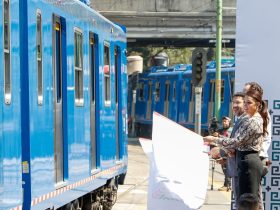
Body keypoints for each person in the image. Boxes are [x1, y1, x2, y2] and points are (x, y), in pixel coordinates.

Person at [204, 87, 269, 208]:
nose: (245, 105)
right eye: (244, 102)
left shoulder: (253, 120)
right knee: (245, 201)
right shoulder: (249, 118)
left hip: (249, 162)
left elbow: (237, 142)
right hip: (244, 161)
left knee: (249, 201)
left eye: (248, 103)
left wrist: (215, 140)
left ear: (258, 104)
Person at [216, 116, 232, 191]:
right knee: (224, 169)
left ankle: (227, 185)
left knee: (227, 169)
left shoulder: (231, 130)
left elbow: (228, 140)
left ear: (229, 122)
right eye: (223, 121)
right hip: (222, 152)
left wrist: (219, 136)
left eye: (226, 121)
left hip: (229, 153)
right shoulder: (220, 130)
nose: (224, 123)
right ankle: (227, 185)